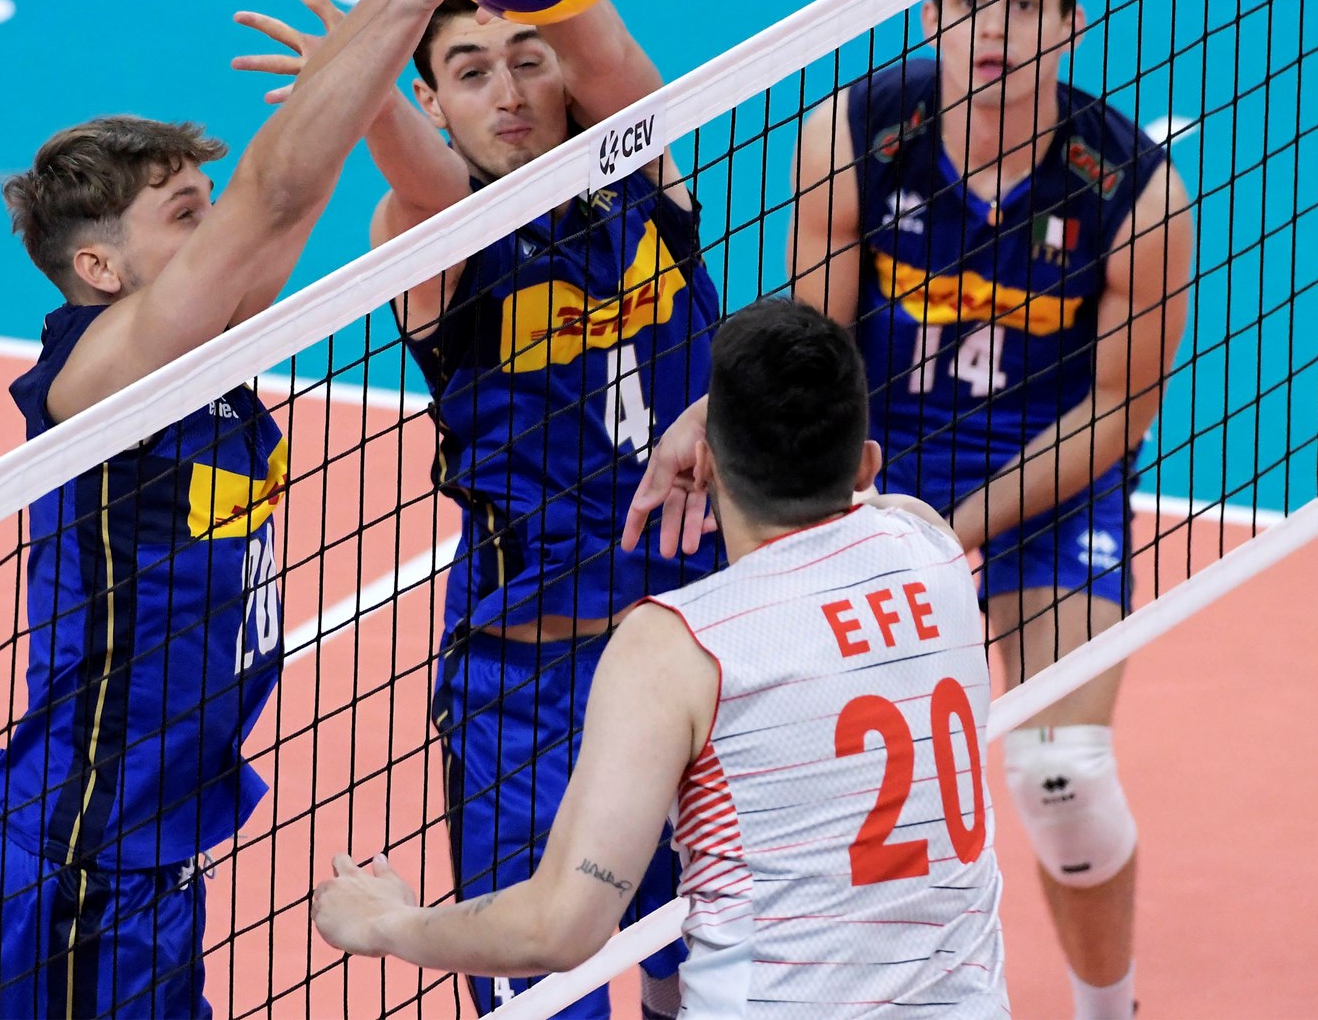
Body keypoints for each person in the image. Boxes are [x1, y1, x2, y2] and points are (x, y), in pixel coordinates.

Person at [0, 0, 506, 1018]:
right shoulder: (103, 373)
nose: (215, 243)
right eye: (179, 221)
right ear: (97, 264)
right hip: (76, 872)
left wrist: (384, 24)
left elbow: (273, 209)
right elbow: (277, 193)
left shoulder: (210, 350)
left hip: (143, 858)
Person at [232, 0, 716, 1020]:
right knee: (545, 989)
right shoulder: (433, 238)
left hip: (699, 643)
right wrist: (408, 7)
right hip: (531, 676)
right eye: (465, 69)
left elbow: (607, 56)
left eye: (524, 56)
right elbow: (417, 175)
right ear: (430, 102)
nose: (506, 86)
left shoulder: (640, 170)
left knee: (702, 975)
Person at [312, 299, 1008, 1016]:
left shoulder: (677, 645)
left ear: (706, 458)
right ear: (865, 461)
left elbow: (558, 926)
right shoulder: (932, 553)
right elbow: (879, 502)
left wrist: (387, 920)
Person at [785, 0, 1193, 1020]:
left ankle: (1105, 1014)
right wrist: (858, 508)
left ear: (1068, 22)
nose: (990, 32)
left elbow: (1116, 413)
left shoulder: (1137, 192)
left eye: (1020, 5)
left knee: (1059, 772)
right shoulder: (853, 136)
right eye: (965, 3)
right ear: (928, 14)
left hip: (1043, 475)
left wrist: (953, 531)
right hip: (874, 464)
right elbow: (815, 359)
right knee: (806, 769)